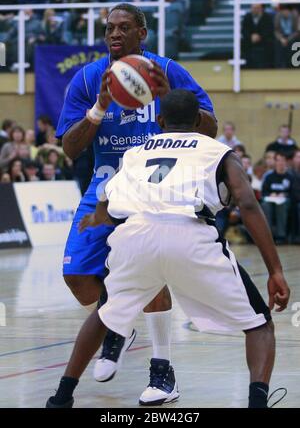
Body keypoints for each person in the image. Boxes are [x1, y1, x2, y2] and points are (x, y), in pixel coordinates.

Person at [46, 89, 290, 409]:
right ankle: (257, 402)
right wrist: (275, 270)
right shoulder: (218, 152)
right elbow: (247, 203)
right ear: (199, 121)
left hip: (135, 233)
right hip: (190, 234)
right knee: (259, 325)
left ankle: (61, 398)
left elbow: (109, 202)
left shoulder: (136, 153)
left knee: (104, 312)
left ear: (159, 121)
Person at [55, 3, 217, 405]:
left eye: (124, 28)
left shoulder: (166, 70)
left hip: (154, 187)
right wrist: (99, 109)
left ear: (142, 34)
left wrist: (168, 96)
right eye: (109, 27)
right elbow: (70, 150)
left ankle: (163, 374)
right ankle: (119, 322)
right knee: (75, 277)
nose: (114, 34)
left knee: (149, 272)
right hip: (106, 187)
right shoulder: (89, 78)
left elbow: (210, 126)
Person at [261, 152, 293, 244]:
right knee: (265, 205)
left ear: (286, 162)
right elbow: (264, 192)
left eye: (283, 160)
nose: (281, 162)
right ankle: (268, 235)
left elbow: (293, 193)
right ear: (275, 162)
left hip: (285, 201)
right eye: (278, 160)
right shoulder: (269, 177)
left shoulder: (290, 177)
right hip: (271, 200)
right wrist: (271, 195)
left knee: (281, 205)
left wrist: (284, 195)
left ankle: (281, 236)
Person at [242, 4, 274, 69]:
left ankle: (268, 65)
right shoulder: (247, 16)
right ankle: (246, 65)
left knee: (271, 43)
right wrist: (251, 36)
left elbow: (269, 30)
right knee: (242, 43)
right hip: (250, 39)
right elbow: (244, 30)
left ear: (261, 8)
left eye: (257, 8)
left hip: (264, 39)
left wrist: (260, 36)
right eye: (253, 8)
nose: (255, 10)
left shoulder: (267, 17)